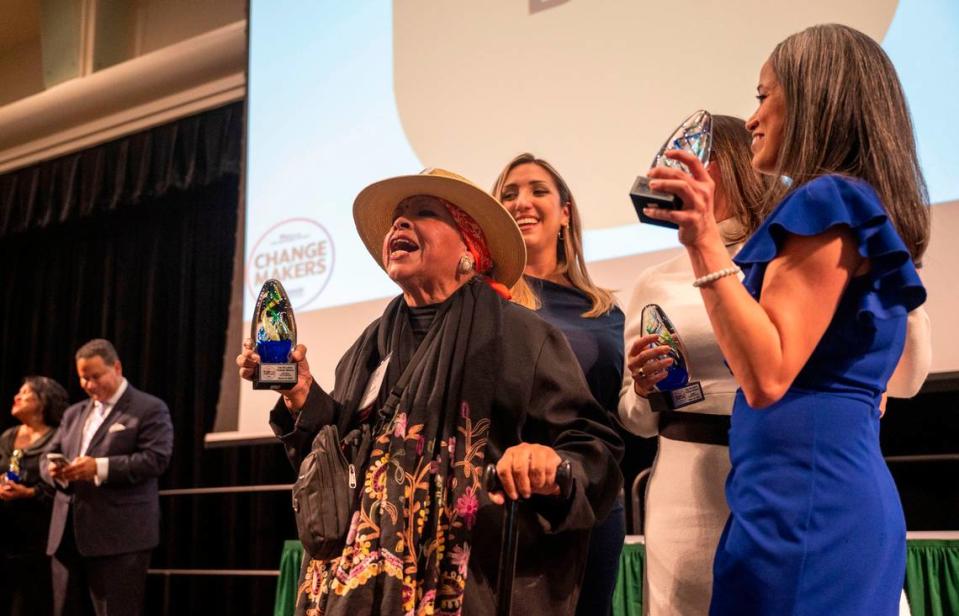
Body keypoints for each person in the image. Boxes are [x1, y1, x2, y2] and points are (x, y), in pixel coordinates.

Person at [237, 168, 623, 615]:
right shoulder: (367, 346)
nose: (399, 225)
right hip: (354, 592)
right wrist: (301, 394)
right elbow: (339, 457)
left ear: (470, 248)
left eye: (423, 213)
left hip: (468, 585)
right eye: (397, 218)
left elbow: (594, 447)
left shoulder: (522, 337)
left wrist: (549, 461)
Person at [639, 24, 930, 615]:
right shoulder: (851, 205)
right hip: (807, 497)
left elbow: (768, 375)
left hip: (803, 511)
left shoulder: (825, 202)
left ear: (815, 100)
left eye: (764, 95)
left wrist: (701, 241)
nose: (750, 119)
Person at [617, 115, 769, 615]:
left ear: (733, 167)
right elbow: (636, 421)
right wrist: (642, 388)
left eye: (697, 161)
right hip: (682, 488)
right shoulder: (653, 281)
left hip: (773, 469)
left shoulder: (782, 258)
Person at [491, 153, 626, 616]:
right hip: (508, 502)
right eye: (508, 194)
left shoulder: (607, 312)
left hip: (592, 500)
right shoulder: (487, 304)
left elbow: (619, 414)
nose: (521, 202)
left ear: (565, 212)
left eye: (537, 190)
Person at [41, 339, 174, 616]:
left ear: (116, 367)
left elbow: (156, 460)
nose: (89, 385)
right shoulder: (73, 413)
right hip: (67, 538)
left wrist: (98, 467)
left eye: (96, 376)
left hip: (119, 539)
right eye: (83, 378)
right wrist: (55, 472)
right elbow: (47, 456)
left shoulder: (148, 408)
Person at [0, 376, 68, 616]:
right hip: (6, 530)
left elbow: (61, 483)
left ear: (43, 403)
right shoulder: (8, 437)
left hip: (39, 532)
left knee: (33, 600)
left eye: (25, 392)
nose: (17, 396)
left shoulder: (58, 438)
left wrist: (29, 492)